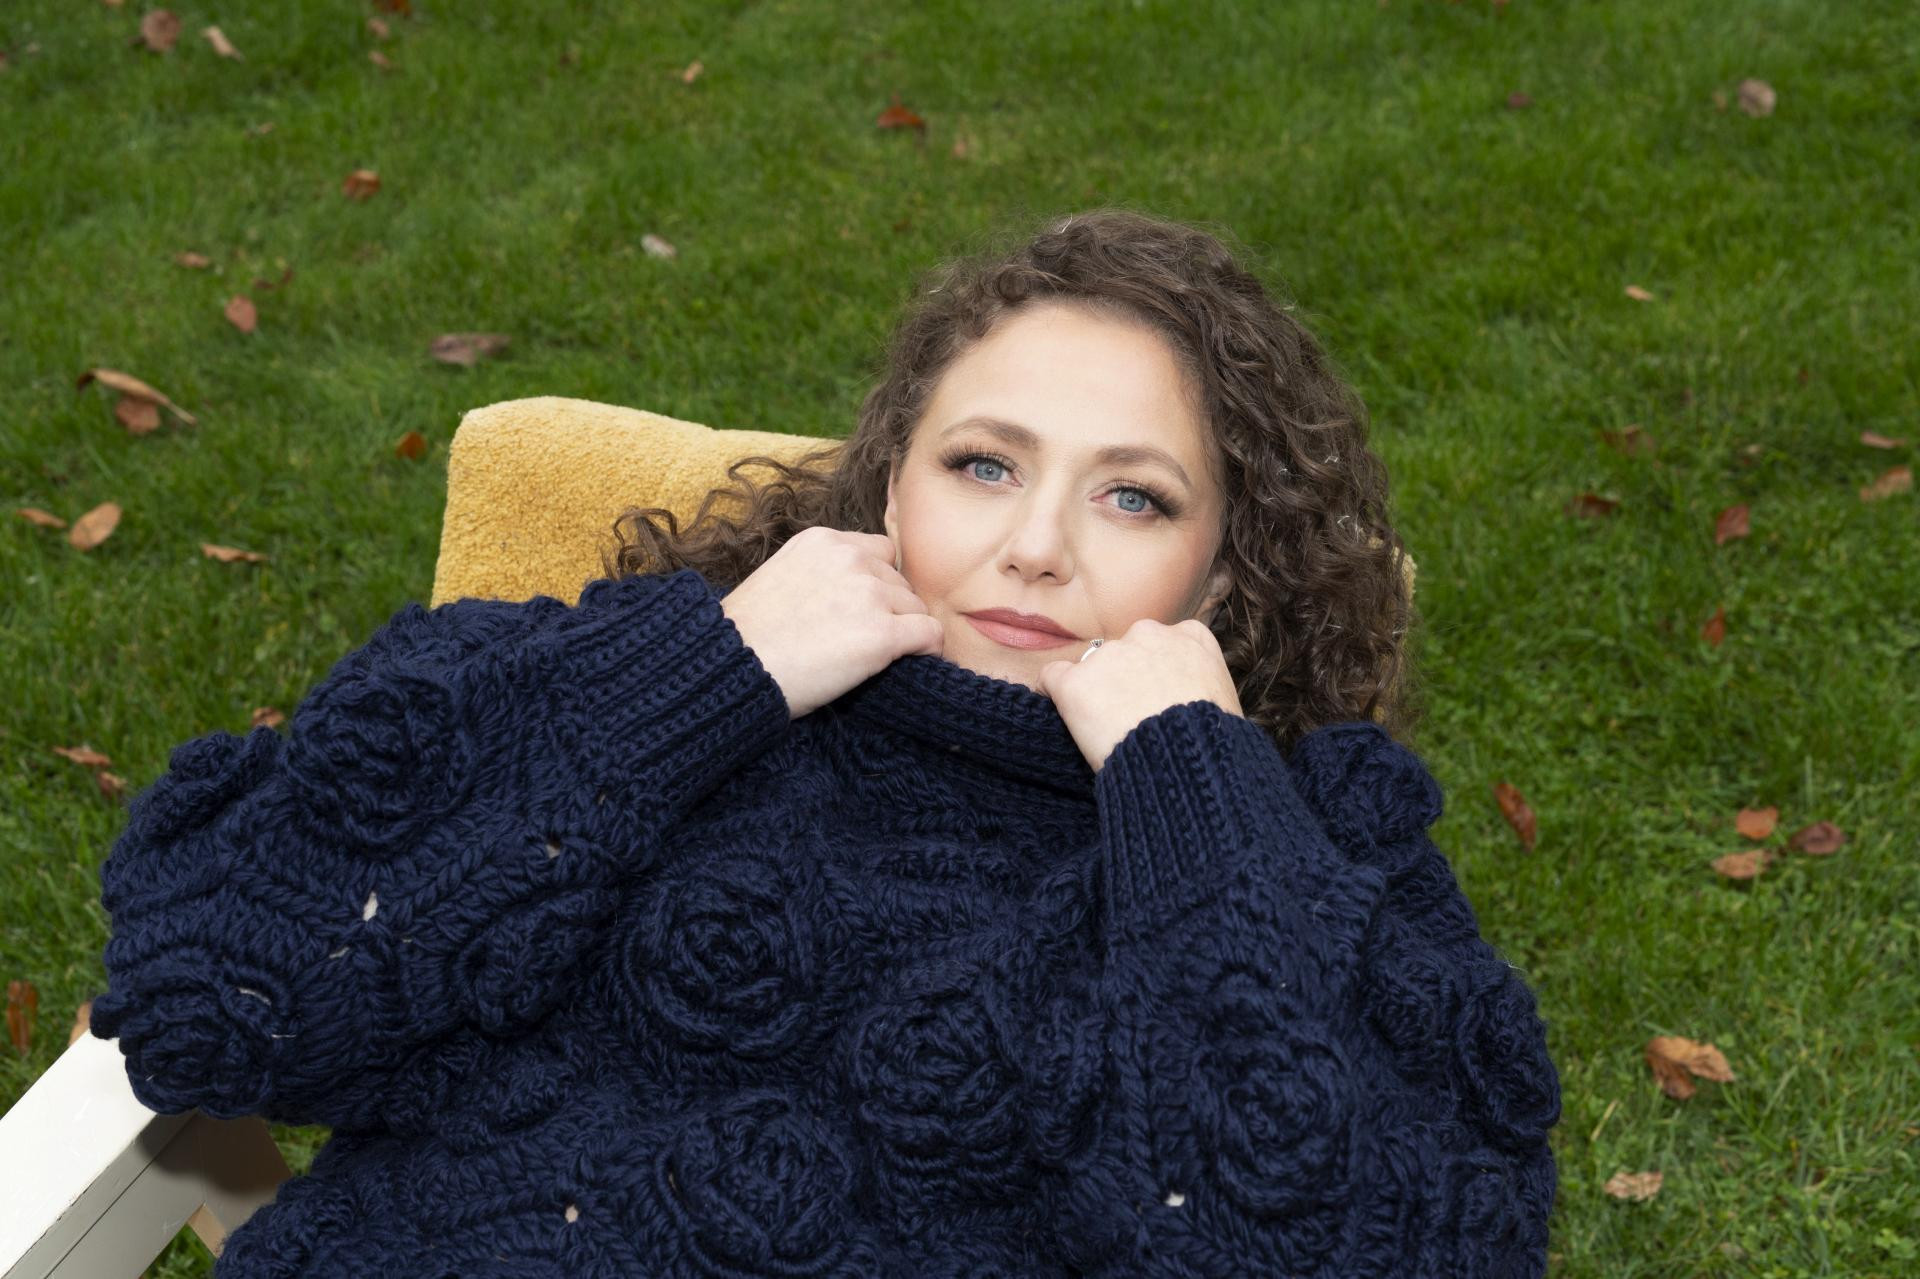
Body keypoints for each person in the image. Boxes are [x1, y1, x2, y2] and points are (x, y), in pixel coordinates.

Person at [90, 208, 1561, 1277]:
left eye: (1135, 497)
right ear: (889, 484)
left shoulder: (1302, 858)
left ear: (1223, 577)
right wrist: (701, 676)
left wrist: (1190, 790)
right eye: (983, 466)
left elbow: (1329, 1234)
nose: (1036, 547)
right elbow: (214, 996)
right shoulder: (650, 675)